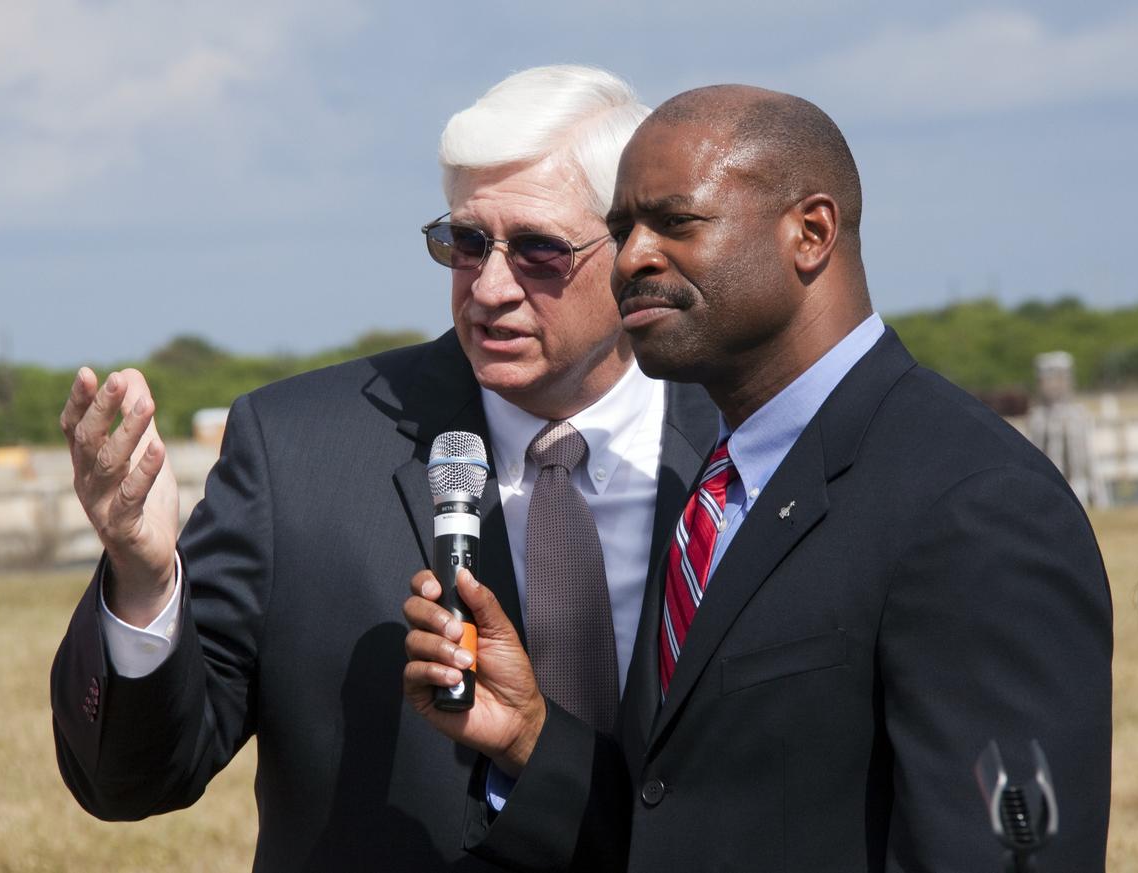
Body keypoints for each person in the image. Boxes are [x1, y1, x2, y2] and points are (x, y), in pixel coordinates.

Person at [403, 85, 1113, 872]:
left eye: (675, 222)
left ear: (810, 232)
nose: (632, 258)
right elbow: (680, 816)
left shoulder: (973, 503)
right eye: (620, 228)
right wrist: (532, 734)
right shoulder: (718, 487)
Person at [49, 65, 717, 872]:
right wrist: (147, 582)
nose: (490, 287)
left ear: (633, 251)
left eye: (539, 249)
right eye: (465, 243)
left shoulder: (744, 441)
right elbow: (133, 780)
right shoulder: (296, 450)